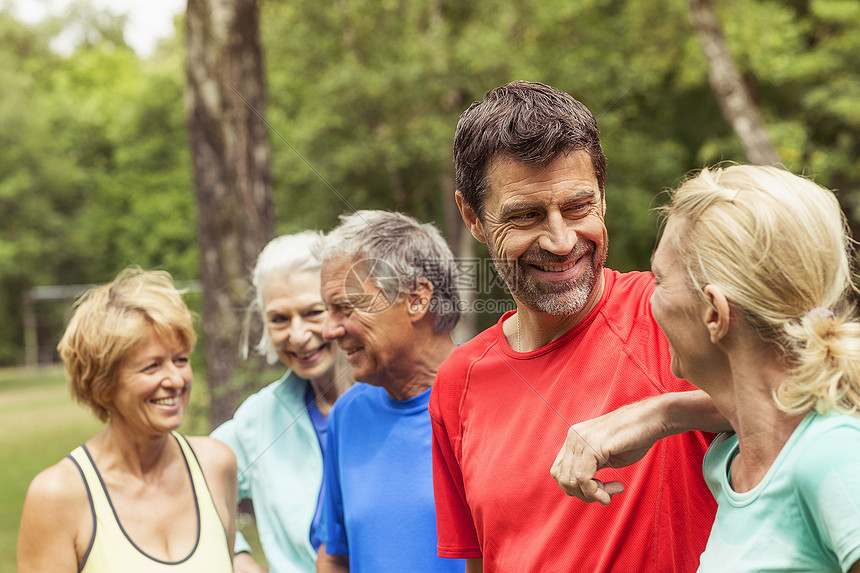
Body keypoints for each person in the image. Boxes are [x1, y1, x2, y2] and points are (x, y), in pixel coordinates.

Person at [430, 80, 721, 572]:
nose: (562, 241)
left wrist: (660, 414)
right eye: (525, 216)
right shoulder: (458, 381)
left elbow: (824, 386)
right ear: (473, 217)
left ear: (603, 194)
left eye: (577, 207)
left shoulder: (671, 311)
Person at [647, 164, 860, 572]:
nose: (650, 303)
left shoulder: (833, 455)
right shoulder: (730, 462)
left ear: (715, 313)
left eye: (658, 280)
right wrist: (665, 413)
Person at [17, 267, 236, 572]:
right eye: (151, 366)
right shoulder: (58, 495)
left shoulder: (216, 464)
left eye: (181, 360)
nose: (176, 379)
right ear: (103, 385)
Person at [314, 210, 464, 573]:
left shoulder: (496, 403)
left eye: (345, 308)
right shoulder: (348, 414)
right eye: (327, 311)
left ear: (416, 299)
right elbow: (334, 555)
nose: (329, 330)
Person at [211, 232, 354, 573]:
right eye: (279, 319)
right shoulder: (258, 419)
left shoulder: (397, 398)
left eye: (312, 312)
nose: (298, 335)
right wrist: (240, 559)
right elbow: (188, 487)